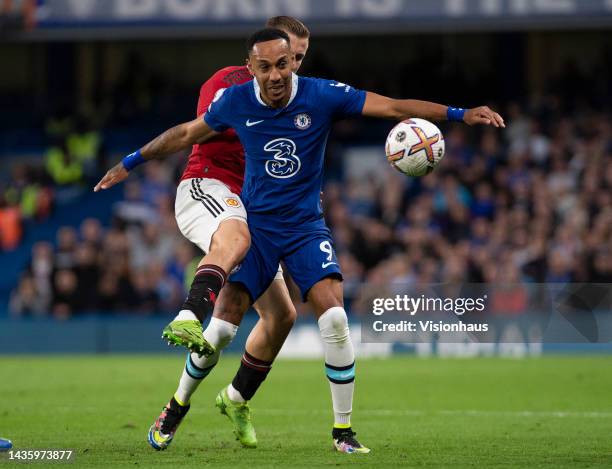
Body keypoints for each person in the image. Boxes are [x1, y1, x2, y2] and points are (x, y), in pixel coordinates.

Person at [95, 28, 504, 454]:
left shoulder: (322, 95)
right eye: (265, 66)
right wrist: (130, 162)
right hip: (256, 229)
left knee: (335, 320)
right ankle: (176, 406)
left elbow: (395, 106)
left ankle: (342, 432)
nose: (275, 75)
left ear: (295, 61)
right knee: (219, 332)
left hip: (306, 227)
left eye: (283, 64)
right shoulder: (234, 101)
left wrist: (459, 113)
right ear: (250, 68)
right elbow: (184, 135)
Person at [95, 17, 311, 451]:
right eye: (279, 60)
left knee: (279, 316)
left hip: (250, 210)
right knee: (234, 238)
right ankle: (189, 313)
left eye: (298, 60)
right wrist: (131, 162)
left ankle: (206, 402)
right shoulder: (227, 86)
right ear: (256, 58)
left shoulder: (302, 96)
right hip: (207, 187)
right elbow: (193, 133)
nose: (287, 70)